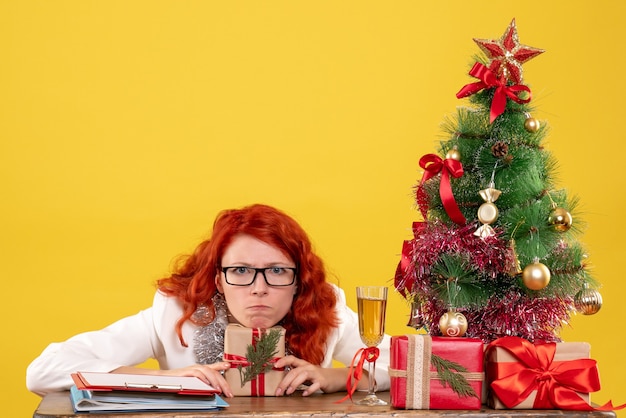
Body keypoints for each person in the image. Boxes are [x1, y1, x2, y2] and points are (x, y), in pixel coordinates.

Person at [26, 204, 391, 398]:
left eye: (278, 271)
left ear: (299, 281)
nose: (259, 287)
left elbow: (422, 369)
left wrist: (339, 377)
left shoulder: (325, 312)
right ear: (219, 279)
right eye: (241, 270)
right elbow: (43, 371)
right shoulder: (176, 313)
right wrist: (168, 379)